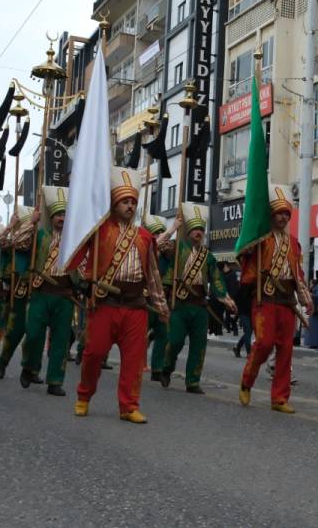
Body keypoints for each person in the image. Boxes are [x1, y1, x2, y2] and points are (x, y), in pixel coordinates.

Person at [72, 168, 168, 424]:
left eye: (133, 202)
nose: (129, 205)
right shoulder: (100, 230)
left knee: (134, 361)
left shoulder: (145, 237)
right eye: (125, 201)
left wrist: (161, 305)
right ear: (114, 205)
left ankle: (129, 406)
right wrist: (86, 281)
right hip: (106, 303)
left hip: (136, 305)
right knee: (93, 353)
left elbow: (153, 275)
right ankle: (84, 396)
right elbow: (81, 256)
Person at [238, 185, 314, 414]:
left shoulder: (293, 243)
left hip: (286, 302)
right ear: (270, 214)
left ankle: (279, 398)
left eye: (286, 213)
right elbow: (243, 256)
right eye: (279, 212)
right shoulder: (260, 239)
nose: (282, 217)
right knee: (264, 343)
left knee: (286, 350)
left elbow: (297, 274)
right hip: (265, 299)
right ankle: (247, 381)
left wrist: (306, 298)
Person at [160, 203, 236, 394]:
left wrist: (225, 298)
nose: (198, 232)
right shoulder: (176, 247)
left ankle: (193, 381)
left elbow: (217, 280)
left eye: (201, 229)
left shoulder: (208, 256)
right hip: (179, 304)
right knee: (175, 341)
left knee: (199, 346)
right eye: (195, 229)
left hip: (200, 305)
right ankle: (167, 367)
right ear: (188, 231)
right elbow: (157, 245)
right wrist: (173, 228)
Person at [20, 187, 79, 396]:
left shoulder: (75, 240)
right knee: (34, 334)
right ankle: (29, 367)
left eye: (65, 214)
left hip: (64, 295)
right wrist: (32, 222)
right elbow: (18, 242)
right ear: (52, 217)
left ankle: (55, 380)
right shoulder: (40, 234)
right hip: (41, 292)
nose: (62, 218)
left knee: (61, 340)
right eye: (58, 215)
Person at [0, 206, 35, 381]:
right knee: (15, 329)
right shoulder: (13, 240)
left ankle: (30, 368)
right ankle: (3, 359)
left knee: (35, 332)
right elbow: (0, 242)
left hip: (37, 290)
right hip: (17, 290)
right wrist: (11, 226)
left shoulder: (39, 239)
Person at [143, 214, 172, 381]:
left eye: (162, 233)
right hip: (144, 300)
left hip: (161, 301)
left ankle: (157, 369)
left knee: (163, 334)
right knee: (138, 336)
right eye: (156, 233)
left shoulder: (170, 256)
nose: (159, 237)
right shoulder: (146, 249)